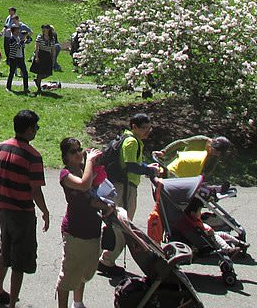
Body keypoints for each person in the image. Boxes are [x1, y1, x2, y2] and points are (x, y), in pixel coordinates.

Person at [0, 109, 50, 308]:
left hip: (3, 209)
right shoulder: (32, 156)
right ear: (30, 129)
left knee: (4, 250)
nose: (37, 131)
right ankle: (13, 302)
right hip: (22, 212)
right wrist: (45, 212)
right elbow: (35, 191)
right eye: (36, 128)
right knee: (20, 259)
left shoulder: (1, 147)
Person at [99, 113, 161, 273]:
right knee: (123, 225)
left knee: (114, 223)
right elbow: (130, 166)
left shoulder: (128, 139)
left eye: (149, 128)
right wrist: (149, 169)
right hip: (125, 188)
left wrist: (147, 166)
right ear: (134, 127)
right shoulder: (132, 141)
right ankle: (107, 261)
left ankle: (101, 256)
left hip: (119, 186)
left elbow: (134, 162)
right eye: (144, 128)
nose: (147, 131)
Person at [56, 137, 106, 308]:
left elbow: (93, 195)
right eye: (73, 151)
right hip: (74, 231)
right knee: (69, 275)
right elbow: (84, 186)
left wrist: (106, 205)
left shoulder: (85, 169)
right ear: (66, 156)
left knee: (86, 271)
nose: (78, 153)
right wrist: (90, 161)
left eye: (79, 149)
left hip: (93, 228)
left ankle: (77, 303)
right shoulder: (65, 175)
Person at [155, 135, 232, 178]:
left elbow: (209, 169)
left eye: (219, 154)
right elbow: (180, 143)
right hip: (179, 166)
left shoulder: (216, 156)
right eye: (215, 152)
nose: (216, 155)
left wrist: (203, 175)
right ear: (212, 145)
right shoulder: (200, 140)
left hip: (192, 174)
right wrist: (163, 152)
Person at [30, 25, 61, 94]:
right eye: (43, 29)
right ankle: (39, 88)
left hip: (47, 56)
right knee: (39, 72)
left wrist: (53, 59)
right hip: (41, 54)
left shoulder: (52, 38)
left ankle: (38, 80)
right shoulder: (40, 37)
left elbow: (53, 49)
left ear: (48, 30)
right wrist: (36, 56)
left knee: (48, 73)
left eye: (45, 29)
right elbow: (37, 47)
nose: (43, 30)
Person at [5, 16, 30, 94]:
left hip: (20, 57)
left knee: (25, 73)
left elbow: (21, 46)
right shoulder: (12, 39)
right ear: (13, 31)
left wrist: (26, 41)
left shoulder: (18, 38)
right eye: (17, 30)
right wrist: (23, 40)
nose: (18, 31)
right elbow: (17, 46)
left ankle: (26, 88)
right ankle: (8, 87)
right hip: (14, 58)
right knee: (12, 73)